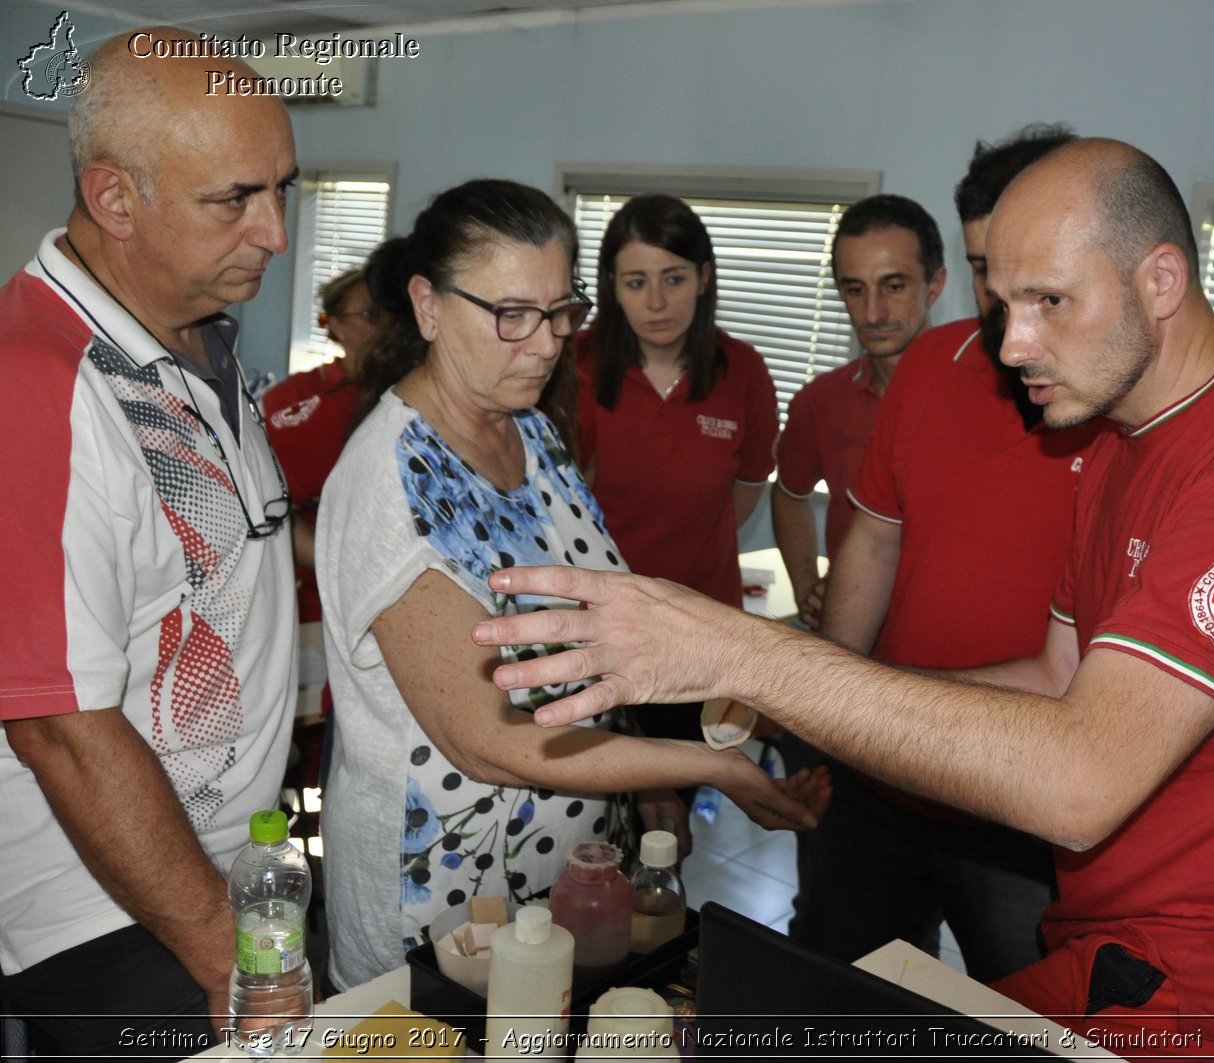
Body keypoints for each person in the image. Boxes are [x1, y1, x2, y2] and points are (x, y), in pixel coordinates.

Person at [471, 138, 1214, 1055]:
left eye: (1051, 300)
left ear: (1161, 282)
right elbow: (1057, 672)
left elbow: (1081, 781)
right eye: (1002, 302)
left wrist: (747, 651)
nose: (1015, 344)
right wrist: (814, 696)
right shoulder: (1117, 446)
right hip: (1112, 948)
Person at [314, 180, 823, 991]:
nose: (547, 344)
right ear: (429, 305)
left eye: (561, 312)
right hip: (445, 907)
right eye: (513, 314)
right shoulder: (391, 481)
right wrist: (716, 766)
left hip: (557, 886)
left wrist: (650, 783)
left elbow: (593, 625)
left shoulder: (531, 432)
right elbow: (490, 738)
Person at [0, 31, 299, 1057]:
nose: (277, 231)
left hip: (218, 863)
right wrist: (228, 956)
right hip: (104, 905)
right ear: (115, 199)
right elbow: (57, 726)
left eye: (283, 190)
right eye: (236, 199)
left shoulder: (203, 331)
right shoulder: (36, 386)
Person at [790, 126, 1097, 983]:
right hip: (882, 779)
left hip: (1016, 806)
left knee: (1026, 1015)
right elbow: (873, 542)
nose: (1002, 299)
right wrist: (826, 706)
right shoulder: (931, 362)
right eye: (983, 268)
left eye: (1029, 271)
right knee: (829, 993)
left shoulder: (1117, 404)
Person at [574, 194, 779, 739]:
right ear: (612, 288)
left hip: (700, 625)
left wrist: (691, 544)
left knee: (682, 792)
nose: (657, 302)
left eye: (674, 278)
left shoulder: (744, 371)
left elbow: (749, 484)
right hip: (592, 623)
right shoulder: (575, 366)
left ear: (704, 277)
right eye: (636, 282)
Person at [771, 194, 946, 628]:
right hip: (853, 645)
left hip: (950, 651)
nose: (872, 312)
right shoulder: (822, 401)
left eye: (894, 286)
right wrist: (806, 585)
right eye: (855, 289)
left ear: (935, 285)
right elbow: (789, 494)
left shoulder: (991, 398)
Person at [263, 267, 387, 618]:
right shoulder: (294, 400)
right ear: (334, 324)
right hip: (315, 601)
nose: (386, 326)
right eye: (371, 314)